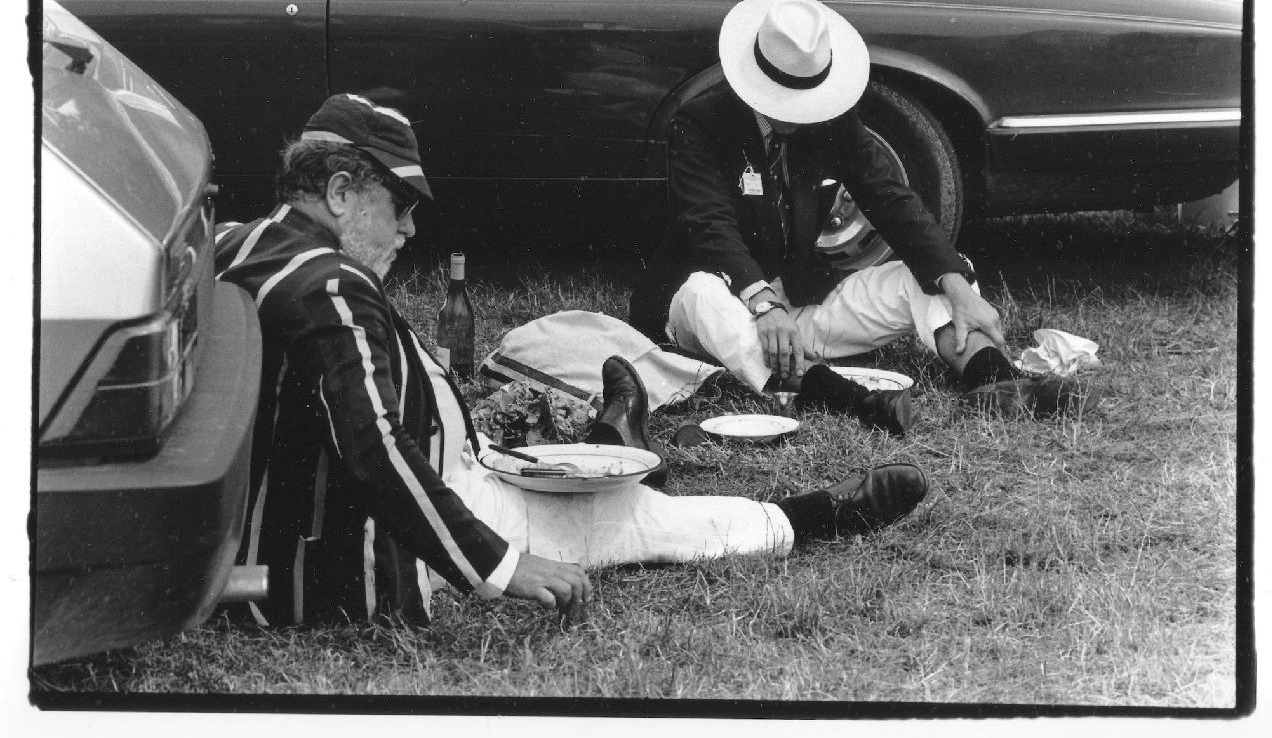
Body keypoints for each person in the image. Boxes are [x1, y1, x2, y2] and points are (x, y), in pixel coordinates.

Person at [214, 93, 929, 628]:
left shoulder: (241, 244)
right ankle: (809, 518)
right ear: (339, 192)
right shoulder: (330, 287)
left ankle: (612, 443)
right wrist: (501, 566)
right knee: (629, 521)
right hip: (361, 552)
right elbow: (374, 453)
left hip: (418, 478)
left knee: (589, 481)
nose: (407, 228)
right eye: (397, 203)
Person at [629, 0, 1093, 433]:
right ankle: (852, 400)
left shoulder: (830, 117)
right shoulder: (699, 123)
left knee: (933, 274)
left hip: (797, 304)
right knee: (704, 295)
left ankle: (994, 380)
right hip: (712, 307)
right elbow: (707, 225)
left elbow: (892, 199)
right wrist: (762, 302)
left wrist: (959, 288)